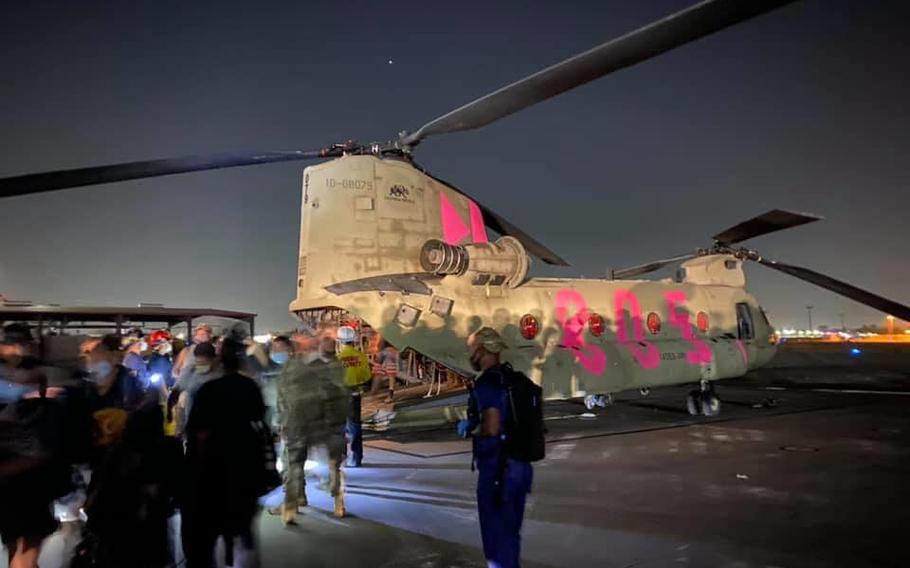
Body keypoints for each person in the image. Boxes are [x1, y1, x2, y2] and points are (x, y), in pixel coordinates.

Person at [181, 337, 272, 568]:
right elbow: (260, 423)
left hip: (211, 474)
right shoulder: (249, 388)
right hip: (245, 471)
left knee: (205, 539)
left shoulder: (208, 390)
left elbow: (195, 432)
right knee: (243, 533)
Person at [459, 327, 534, 568]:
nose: (470, 353)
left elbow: (491, 427)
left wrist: (471, 428)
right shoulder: (515, 378)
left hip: (498, 469)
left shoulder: (487, 383)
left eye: (471, 348)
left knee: (495, 533)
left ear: (481, 350)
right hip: (521, 465)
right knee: (510, 531)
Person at [274, 335, 348, 523]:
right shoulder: (324, 367)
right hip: (314, 423)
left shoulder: (293, 368)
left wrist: (283, 421)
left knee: (296, 464)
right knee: (326, 464)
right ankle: (332, 502)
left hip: (304, 424)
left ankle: (292, 506)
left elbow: (283, 399)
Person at [337, 326, 371, 467]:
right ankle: (357, 458)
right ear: (354, 341)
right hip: (354, 395)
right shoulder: (361, 356)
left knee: (340, 428)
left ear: (339, 341)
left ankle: (342, 456)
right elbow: (367, 376)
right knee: (355, 426)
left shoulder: (337, 358)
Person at [172, 342, 221, 438]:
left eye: (204, 362)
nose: (201, 365)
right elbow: (177, 389)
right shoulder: (190, 371)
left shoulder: (221, 373)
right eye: (198, 362)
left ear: (213, 359)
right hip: (194, 424)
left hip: (215, 426)